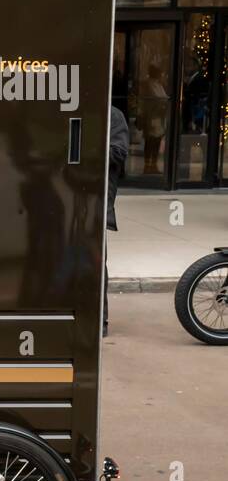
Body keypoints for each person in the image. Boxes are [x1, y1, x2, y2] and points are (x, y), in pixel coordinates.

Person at [105, 105, 129, 337]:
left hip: (95, 198)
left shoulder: (112, 115)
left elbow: (118, 152)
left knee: (92, 262)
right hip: (64, 196)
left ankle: (99, 320)